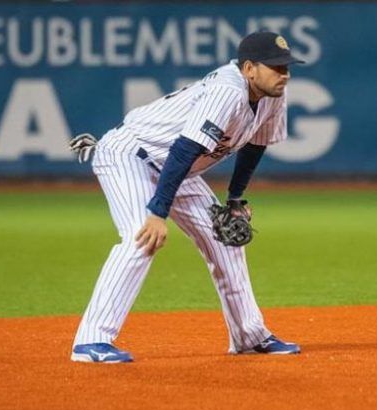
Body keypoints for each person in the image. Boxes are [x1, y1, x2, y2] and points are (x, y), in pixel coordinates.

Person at [68, 31, 302, 363]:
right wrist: (157, 212)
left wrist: (234, 200)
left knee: (226, 240)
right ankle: (90, 342)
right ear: (250, 68)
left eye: (287, 67)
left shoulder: (273, 94)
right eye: (277, 67)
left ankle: (249, 336)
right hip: (131, 155)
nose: (285, 74)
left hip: (178, 168)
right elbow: (184, 149)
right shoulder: (227, 90)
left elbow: (255, 144)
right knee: (141, 236)